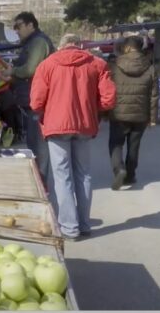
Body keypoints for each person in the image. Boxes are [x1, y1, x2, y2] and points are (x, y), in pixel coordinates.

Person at [30, 34, 116, 240]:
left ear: (61, 46)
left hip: (56, 126)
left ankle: (69, 227)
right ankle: (84, 224)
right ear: (79, 45)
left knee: (62, 176)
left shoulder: (47, 64)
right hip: (85, 126)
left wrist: (46, 112)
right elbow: (109, 99)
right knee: (84, 174)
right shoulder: (97, 64)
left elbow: (36, 102)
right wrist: (92, 108)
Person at [6, 11, 55, 187]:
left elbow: (30, 70)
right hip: (31, 100)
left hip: (38, 102)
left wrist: (13, 71)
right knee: (34, 146)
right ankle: (39, 183)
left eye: (18, 26)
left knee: (39, 148)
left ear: (30, 25)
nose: (16, 31)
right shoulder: (30, 43)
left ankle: (42, 186)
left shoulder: (38, 42)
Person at [108, 36, 159, 190]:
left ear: (128, 48)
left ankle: (119, 169)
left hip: (118, 113)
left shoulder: (114, 66)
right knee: (134, 145)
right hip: (141, 115)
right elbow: (154, 95)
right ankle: (130, 175)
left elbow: (107, 89)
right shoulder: (150, 68)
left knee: (116, 143)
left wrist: (104, 111)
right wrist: (153, 118)